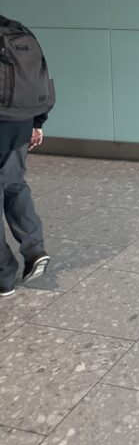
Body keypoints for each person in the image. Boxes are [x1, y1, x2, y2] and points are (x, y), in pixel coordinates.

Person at [0, 17, 52, 298]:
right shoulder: (17, 28)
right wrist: (37, 122)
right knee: (14, 185)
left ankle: (3, 277)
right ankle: (34, 249)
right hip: (20, 121)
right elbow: (40, 76)